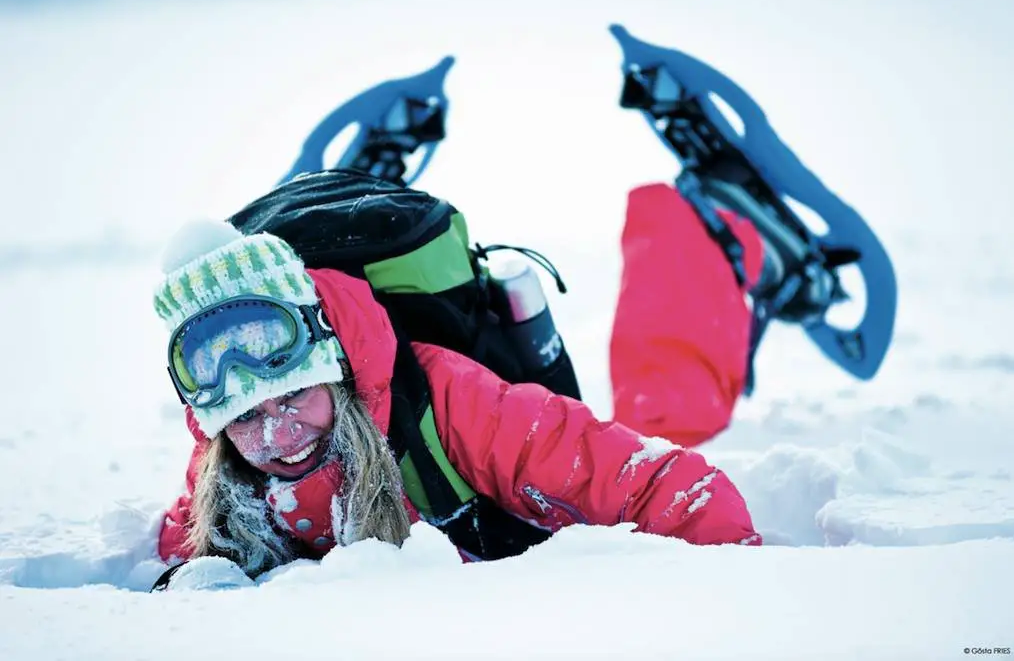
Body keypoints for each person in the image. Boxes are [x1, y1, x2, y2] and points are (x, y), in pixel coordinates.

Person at [151, 178, 766, 590]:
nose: (278, 432)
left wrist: (724, 607)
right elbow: (185, 546)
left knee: (669, 416)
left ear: (337, 375)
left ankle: (706, 222)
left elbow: (667, 485)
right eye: (248, 418)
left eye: (294, 395)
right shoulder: (224, 459)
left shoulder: (448, 402)